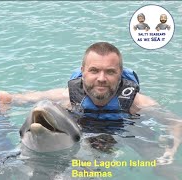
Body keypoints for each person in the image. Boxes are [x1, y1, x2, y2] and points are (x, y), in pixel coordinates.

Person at [12, 42, 181, 164]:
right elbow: (20, 99)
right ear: (82, 71)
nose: (101, 79)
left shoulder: (137, 103)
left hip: (126, 130)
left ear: (120, 74)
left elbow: (176, 123)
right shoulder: (65, 98)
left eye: (110, 72)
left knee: (162, 167)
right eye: (94, 70)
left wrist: (170, 151)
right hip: (82, 131)